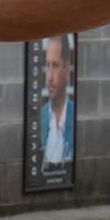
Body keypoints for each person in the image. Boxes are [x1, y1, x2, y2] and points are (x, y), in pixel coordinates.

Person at [39, 34, 75, 168]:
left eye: (55, 65)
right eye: (47, 65)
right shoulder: (40, 117)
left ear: (66, 68)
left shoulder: (74, 115)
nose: (49, 77)